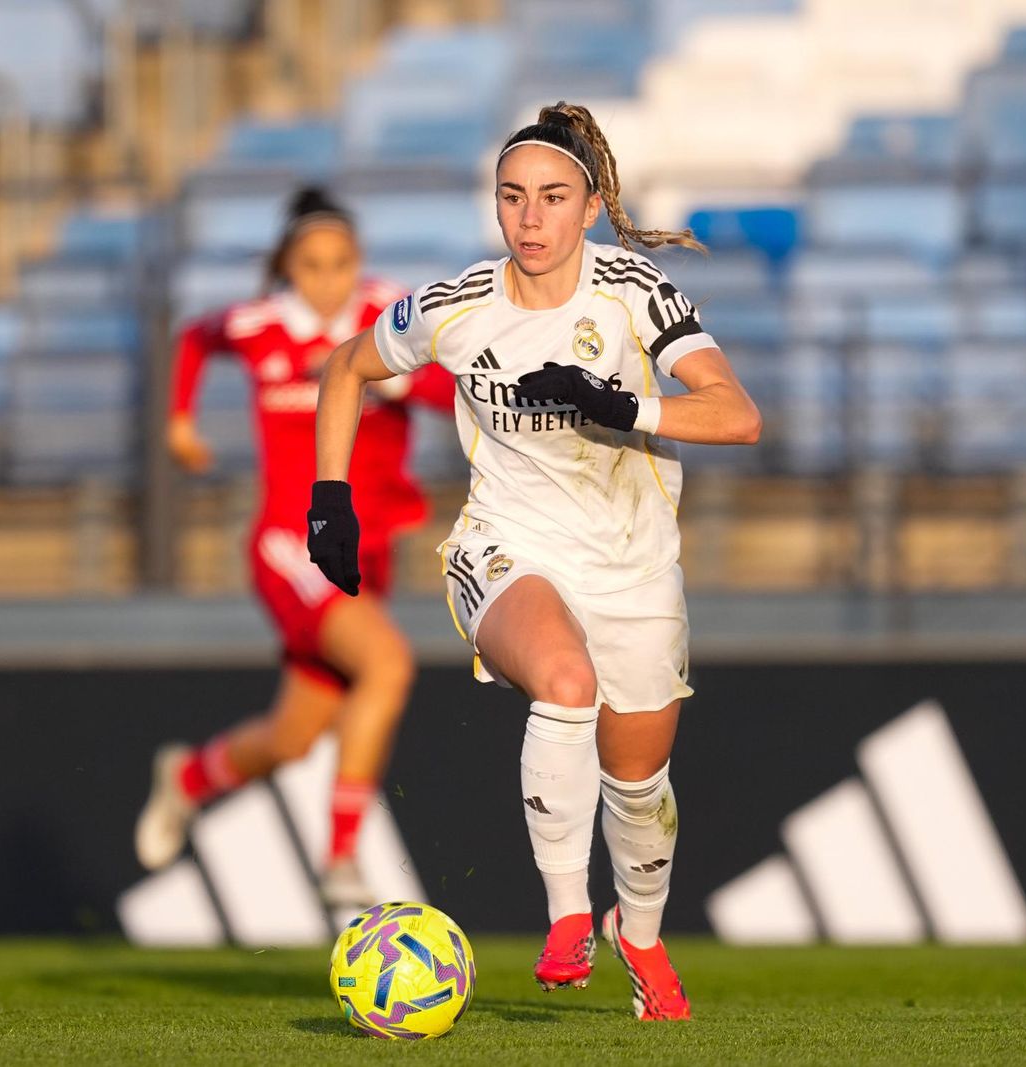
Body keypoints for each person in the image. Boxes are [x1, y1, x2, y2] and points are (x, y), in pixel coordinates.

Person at [306, 104, 760, 1020]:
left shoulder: (635, 292)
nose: (530, 218)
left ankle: (640, 935)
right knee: (564, 679)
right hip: (508, 545)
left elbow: (738, 415)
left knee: (639, 788)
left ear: (589, 207)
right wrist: (329, 497)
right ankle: (567, 918)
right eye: (513, 197)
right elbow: (346, 367)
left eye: (552, 198)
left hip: (634, 566)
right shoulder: (459, 304)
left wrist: (621, 405)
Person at [134, 187, 455, 909]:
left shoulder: (386, 315)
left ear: (358, 263)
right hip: (293, 543)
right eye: (311, 265)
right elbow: (193, 336)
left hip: (369, 553)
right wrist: (179, 421)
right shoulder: (259, 325)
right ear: (289, 266)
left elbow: (446, 383)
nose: (327, 280)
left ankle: (188, 779)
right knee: (388, 663)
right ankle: (341, 858)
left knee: (292, 737)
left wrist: (394, 378)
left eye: (340, 264)